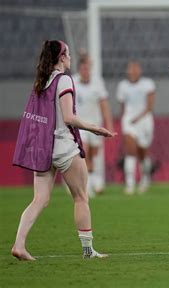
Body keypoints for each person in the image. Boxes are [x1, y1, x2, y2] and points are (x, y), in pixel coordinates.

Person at [11, 40, 115, 260]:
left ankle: (19, 244)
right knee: (80, 197)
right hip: (63, 147)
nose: (70, 57)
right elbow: (68, 117)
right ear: (61, 57)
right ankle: (88, 251)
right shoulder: (64, 79)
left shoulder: (41, 81)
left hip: (42, 148)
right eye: (67, 53)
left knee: (39, 199)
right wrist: (95, 128)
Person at [73, 54, 113, 198]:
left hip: (95, 124)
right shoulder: (73, 81)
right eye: (83, 68)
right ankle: (88, 187)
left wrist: (108, 123)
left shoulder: (97, 82)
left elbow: (103, 104)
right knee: (85, 152)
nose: (86, 71)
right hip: (80, 125)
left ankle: (95, 181)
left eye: (87, 68)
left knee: (94, 154)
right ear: (79, 69)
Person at [116, 60, 156, 195]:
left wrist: (137, 118)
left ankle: (145, 179)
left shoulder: (148, 84)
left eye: (135, 69)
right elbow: (122, 106)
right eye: (131, 69)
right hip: (129, 122)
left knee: (143, 154)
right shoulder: (122, 86)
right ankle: (130, 184)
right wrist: (126, 119)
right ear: (127, 71)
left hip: (144, 122)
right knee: (130, 150)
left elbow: (149, 107)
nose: (133, 71)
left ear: (140, 70)